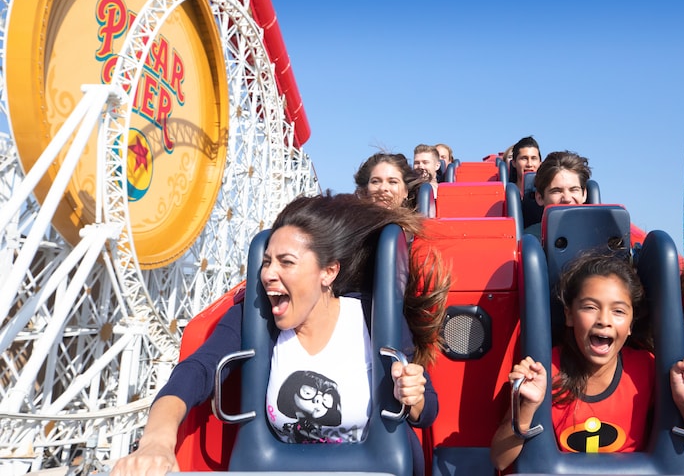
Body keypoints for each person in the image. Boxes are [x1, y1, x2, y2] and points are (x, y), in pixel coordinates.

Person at [112, 194, 451, 476]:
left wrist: (413, 394)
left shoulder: (371, 318)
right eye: (266, 261)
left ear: (328, 272)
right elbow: (195, 371)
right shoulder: (258, 319)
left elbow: (429, 410)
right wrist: (156, 440)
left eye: (286, 262)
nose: (269, 274)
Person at [490, 252, 684, 472]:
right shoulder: (545, 371)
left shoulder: (647, 368)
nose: (604, 321)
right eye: (590, 307)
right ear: (569, 315)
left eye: (618, 311)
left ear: (630, 325)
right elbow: (500, 459)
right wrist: (528, 405)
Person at [523, 151, 591, 240]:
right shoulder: (529, 239)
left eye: (574, 190)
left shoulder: (601, 235)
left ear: (584, 194)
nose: (567, 198)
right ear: (539, 197)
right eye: (557, 191)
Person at [354, 152, 423, 210]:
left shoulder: (421, 225)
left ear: (405, 191)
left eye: (393, 182)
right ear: (366, 190)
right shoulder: (349, 223)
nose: (383, 188)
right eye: (375, 181)